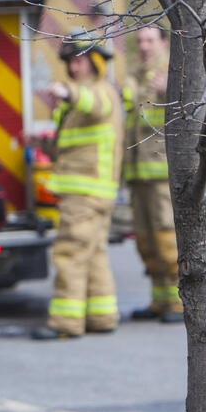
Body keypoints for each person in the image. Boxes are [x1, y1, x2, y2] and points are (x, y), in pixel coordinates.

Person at [32, 37, 125, 340]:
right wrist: (41, 143)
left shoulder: (98, 92)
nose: (73, 67)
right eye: (70, 62)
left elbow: (93, 105)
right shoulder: (82, 99)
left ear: (95, 62)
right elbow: (68, 146)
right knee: (93, 254)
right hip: (94, 192)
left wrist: (66, 91)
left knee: (69, 253)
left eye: (80, 60)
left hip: (84, 194)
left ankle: (65, 322)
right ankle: (102, 316)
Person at [123, 24, 183, 323]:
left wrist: (169, 91)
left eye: (149, 40)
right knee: (146, 239)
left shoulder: (174, 71)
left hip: (161, 172)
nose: (143, 46)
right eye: (139, 41)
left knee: (166, 237)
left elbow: (193, 111)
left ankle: (179, 302)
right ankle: (159, 299)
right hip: (138, 173)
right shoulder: (136, 74)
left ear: (162, 41)